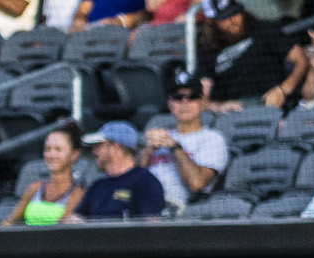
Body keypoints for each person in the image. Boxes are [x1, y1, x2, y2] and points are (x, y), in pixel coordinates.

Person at [142, 63, 226, 203]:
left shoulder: (213, 139)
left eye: (192, 97)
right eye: (178, 97)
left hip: (181, 211)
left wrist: (175, 147)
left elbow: (197, 184)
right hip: (144, 206)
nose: (185, 102)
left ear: (201, 103)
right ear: (170, 104)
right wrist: (147, 151)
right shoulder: (160, 137)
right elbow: (131, 182)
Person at [64, 121, 165, 221]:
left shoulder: (146, 182)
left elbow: (152, 229)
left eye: (98, 146)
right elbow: (75, 220)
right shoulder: (97, 186)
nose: (94, 152)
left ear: (115, 148)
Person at [2, 122, 85, 226]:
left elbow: (63, 229)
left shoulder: (78, 193)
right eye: (48, 149)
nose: (51, 155)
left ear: (74, 154)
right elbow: (11, 221)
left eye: (58, 149)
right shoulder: (35, 188)